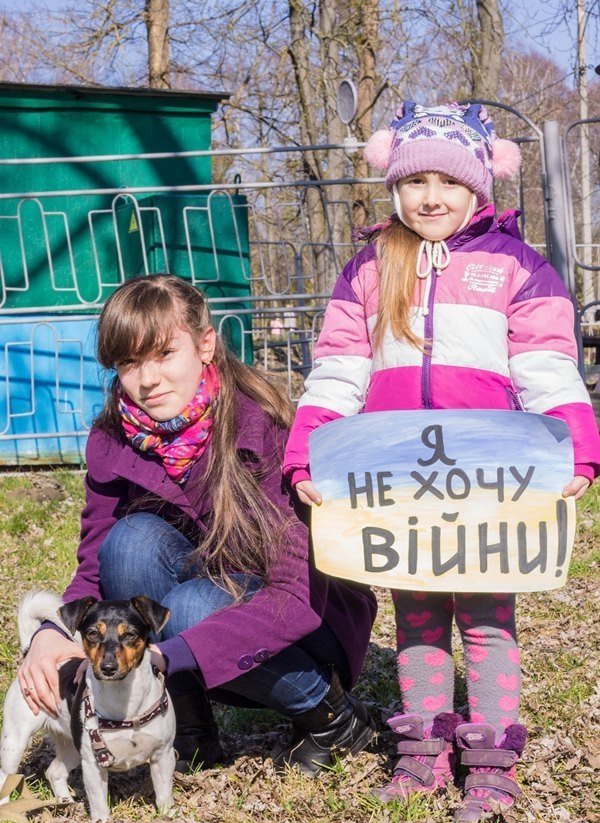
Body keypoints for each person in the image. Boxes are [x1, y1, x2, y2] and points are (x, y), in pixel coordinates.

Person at [283, 101, 600, 823]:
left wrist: (575, 445)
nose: (431, 196)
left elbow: (548, 369)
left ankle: (491, 762)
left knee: (488, 619)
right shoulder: (369, 270)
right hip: (400, 485)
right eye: (415, 180)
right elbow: (337, 372)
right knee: (418, 617)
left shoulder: (519, 269)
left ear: (479, 187)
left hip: (491, 484)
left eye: (448, 182)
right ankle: (423, 750)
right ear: (392, 187)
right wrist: (312, 453)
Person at [18, 274, 377, 776]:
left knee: (186, 609)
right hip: (202, 608)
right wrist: (51, 633)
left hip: (310, 629)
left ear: (205, 345)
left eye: (165, 354)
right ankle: (186, 727)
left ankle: (332, 717)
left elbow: (295, 599)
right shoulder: (112, 439)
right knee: (129, 545)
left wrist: (164, 657)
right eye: (129, 363)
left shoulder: (264, 429)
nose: (147, 380)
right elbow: (95, 567)